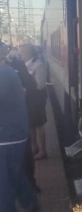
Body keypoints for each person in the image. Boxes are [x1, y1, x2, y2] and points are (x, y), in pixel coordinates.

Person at [0, 41, 44, 212]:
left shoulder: (3, 75)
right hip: (12, 134)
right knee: (16, 177)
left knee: (4, 182)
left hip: (7, 136)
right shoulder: (8, 72)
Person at [6, 53, 40, 192]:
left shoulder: (15, 66)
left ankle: (28, 185)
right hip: (15, 122)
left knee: (23, 156)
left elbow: (31, 85)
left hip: (15, 122)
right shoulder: (16, 65)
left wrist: (22, 92)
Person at [19, 44, 48, 160]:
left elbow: (40, 85)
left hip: (37, 99)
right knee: (31, 124)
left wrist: (26, 89)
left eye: (23, 52)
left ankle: (43, 151)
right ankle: (34, 147)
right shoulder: (25, 64)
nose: (21, 54)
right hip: (29, 98)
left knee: (38, 124)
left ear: (29, 52)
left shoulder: (38, 65)